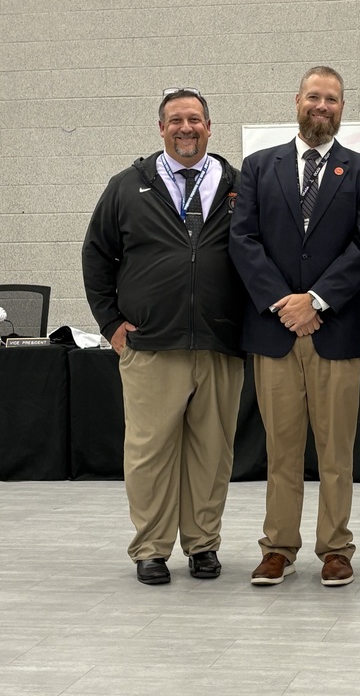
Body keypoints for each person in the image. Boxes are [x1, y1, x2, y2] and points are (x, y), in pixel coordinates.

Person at [229, 66, 360, 588]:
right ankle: (278, 547)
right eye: (314, 97)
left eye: (333, 99)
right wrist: (285, 303)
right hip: (275, 334)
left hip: (335, 332)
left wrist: (317, 301)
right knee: (282, 450)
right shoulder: (256, 167)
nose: (323, 106)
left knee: (336, 451)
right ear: (297, 101)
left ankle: (336, 549)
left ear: (343, 107)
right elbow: (243, 240)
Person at [82, 88, 246, 585]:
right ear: (161, 128)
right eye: (175, 120)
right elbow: (96, 257)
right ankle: (151, 549)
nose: (186, 128)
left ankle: (202, 546)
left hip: (221, 344)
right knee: (150, 453)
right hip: (151, 346)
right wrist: (111, 324)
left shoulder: (238, 185)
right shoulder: (127, 186)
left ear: (210, 127)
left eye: (195, 119)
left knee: (212, 453)